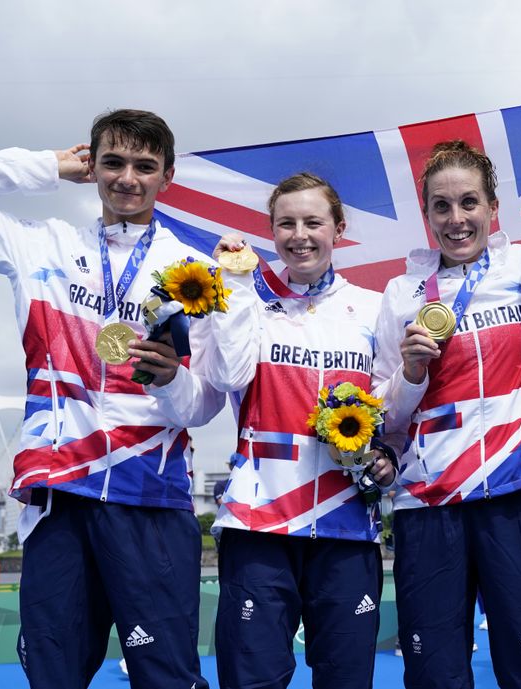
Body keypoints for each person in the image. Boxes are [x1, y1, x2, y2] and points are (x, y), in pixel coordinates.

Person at [0, 110, 224, 689]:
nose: (127, 178)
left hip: (149, 494)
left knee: (166, 677)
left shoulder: (196, 273)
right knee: (53, 674)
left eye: (144, 166)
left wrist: (173, 382)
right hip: (59, 494)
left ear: (168, 176)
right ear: (93, 165)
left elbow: (206, 406)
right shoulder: (41, 246)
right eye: (112, 162)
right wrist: (49, 166)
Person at [146, 172, 415, 689]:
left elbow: (391, 408)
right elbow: (226, 379)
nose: (300, 235)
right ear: (270, 233)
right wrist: (238, 287)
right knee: (252, 680)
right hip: (259, 523)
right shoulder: (247, 301)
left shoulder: (375, 305)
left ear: (339, 229)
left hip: (345, 525)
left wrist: (388, 456)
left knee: (346, 681)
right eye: (285, 224)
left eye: (313, 222)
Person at [372, 141, 521, 689]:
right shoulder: (400, 293)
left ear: (492, 207)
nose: (456, 220)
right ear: (427, 213)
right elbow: (383, 414)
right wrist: (410, 373)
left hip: (515, 494)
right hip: (429, 504)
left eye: (468, 203)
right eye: (441, 206)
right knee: (435, 674)